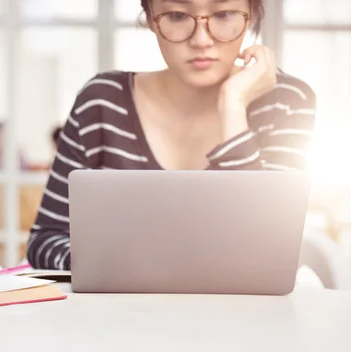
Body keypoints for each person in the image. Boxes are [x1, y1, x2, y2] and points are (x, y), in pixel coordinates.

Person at [26, 0, 316, 270]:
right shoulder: (102, 102)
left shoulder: (285, 101)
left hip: (242, 321)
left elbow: (266, 256)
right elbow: (46, 240)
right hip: (120, 319)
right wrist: (136, 272)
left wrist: (233, 106)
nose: (201, 40)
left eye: (224, 14)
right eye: (177, 15)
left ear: (251, 13)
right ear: (151, 18)